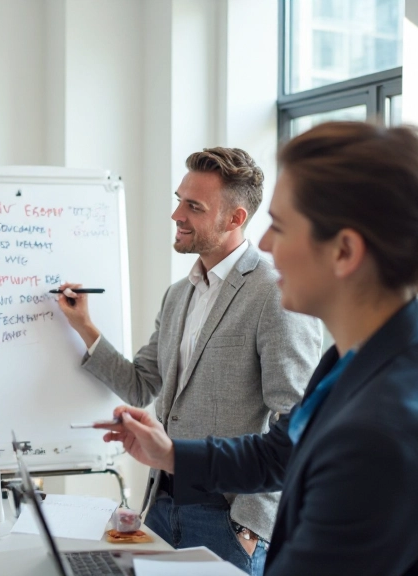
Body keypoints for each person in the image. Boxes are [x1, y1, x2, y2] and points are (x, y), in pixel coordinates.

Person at [97, 122, 418, 575]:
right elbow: (281, 453)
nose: (264, 244)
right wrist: (170, 454)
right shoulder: (363, 359)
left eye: (280, 227)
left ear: (344, 251)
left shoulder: (390, 431)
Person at [56, 147, 321, 575]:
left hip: (229, 520)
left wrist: (252, 525)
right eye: (179, 199)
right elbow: (142, 384)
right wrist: (85, 326)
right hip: (163, 506)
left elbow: (300, 421)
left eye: (194, 206)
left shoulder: (274, 293)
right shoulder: (179, 293)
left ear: (235, 218)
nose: (177, 214)